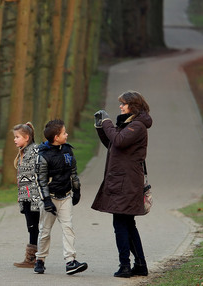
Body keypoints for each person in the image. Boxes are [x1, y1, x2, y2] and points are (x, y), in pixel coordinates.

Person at [92, 90, 152, 278]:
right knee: (127, 223)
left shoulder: (138, 126)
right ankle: (140, 264)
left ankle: (125, 265)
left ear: (133, 106)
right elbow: (113, 145)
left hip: (126, 182)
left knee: (120, 223)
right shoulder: (129, 124)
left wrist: (107, 122)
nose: (120, 106)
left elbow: (118, 140)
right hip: (122, 181)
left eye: (123, 103)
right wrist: (100, 127)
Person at [33, 119, 88, 275]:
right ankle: (40, 259)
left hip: (65, 197)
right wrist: (46, 200)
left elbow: (73, 172)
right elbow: (40, 180)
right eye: (64, 132)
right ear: (56, 137)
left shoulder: (68, 151)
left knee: (68, 228)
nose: (67, 134)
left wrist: (76, 190)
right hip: (49, 198)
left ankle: (70, 261)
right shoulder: (42, 156)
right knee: (44, 231)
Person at [12, 122, 41, 268]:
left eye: (17, 137)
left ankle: (33, 258)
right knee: (31, 226)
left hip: (33, 197)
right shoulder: (23, 152)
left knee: (34, 226)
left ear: (27, 137)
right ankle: (32, 257)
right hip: (25, 196)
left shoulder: (34, 151)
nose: (15, 140)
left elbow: (40, 172)